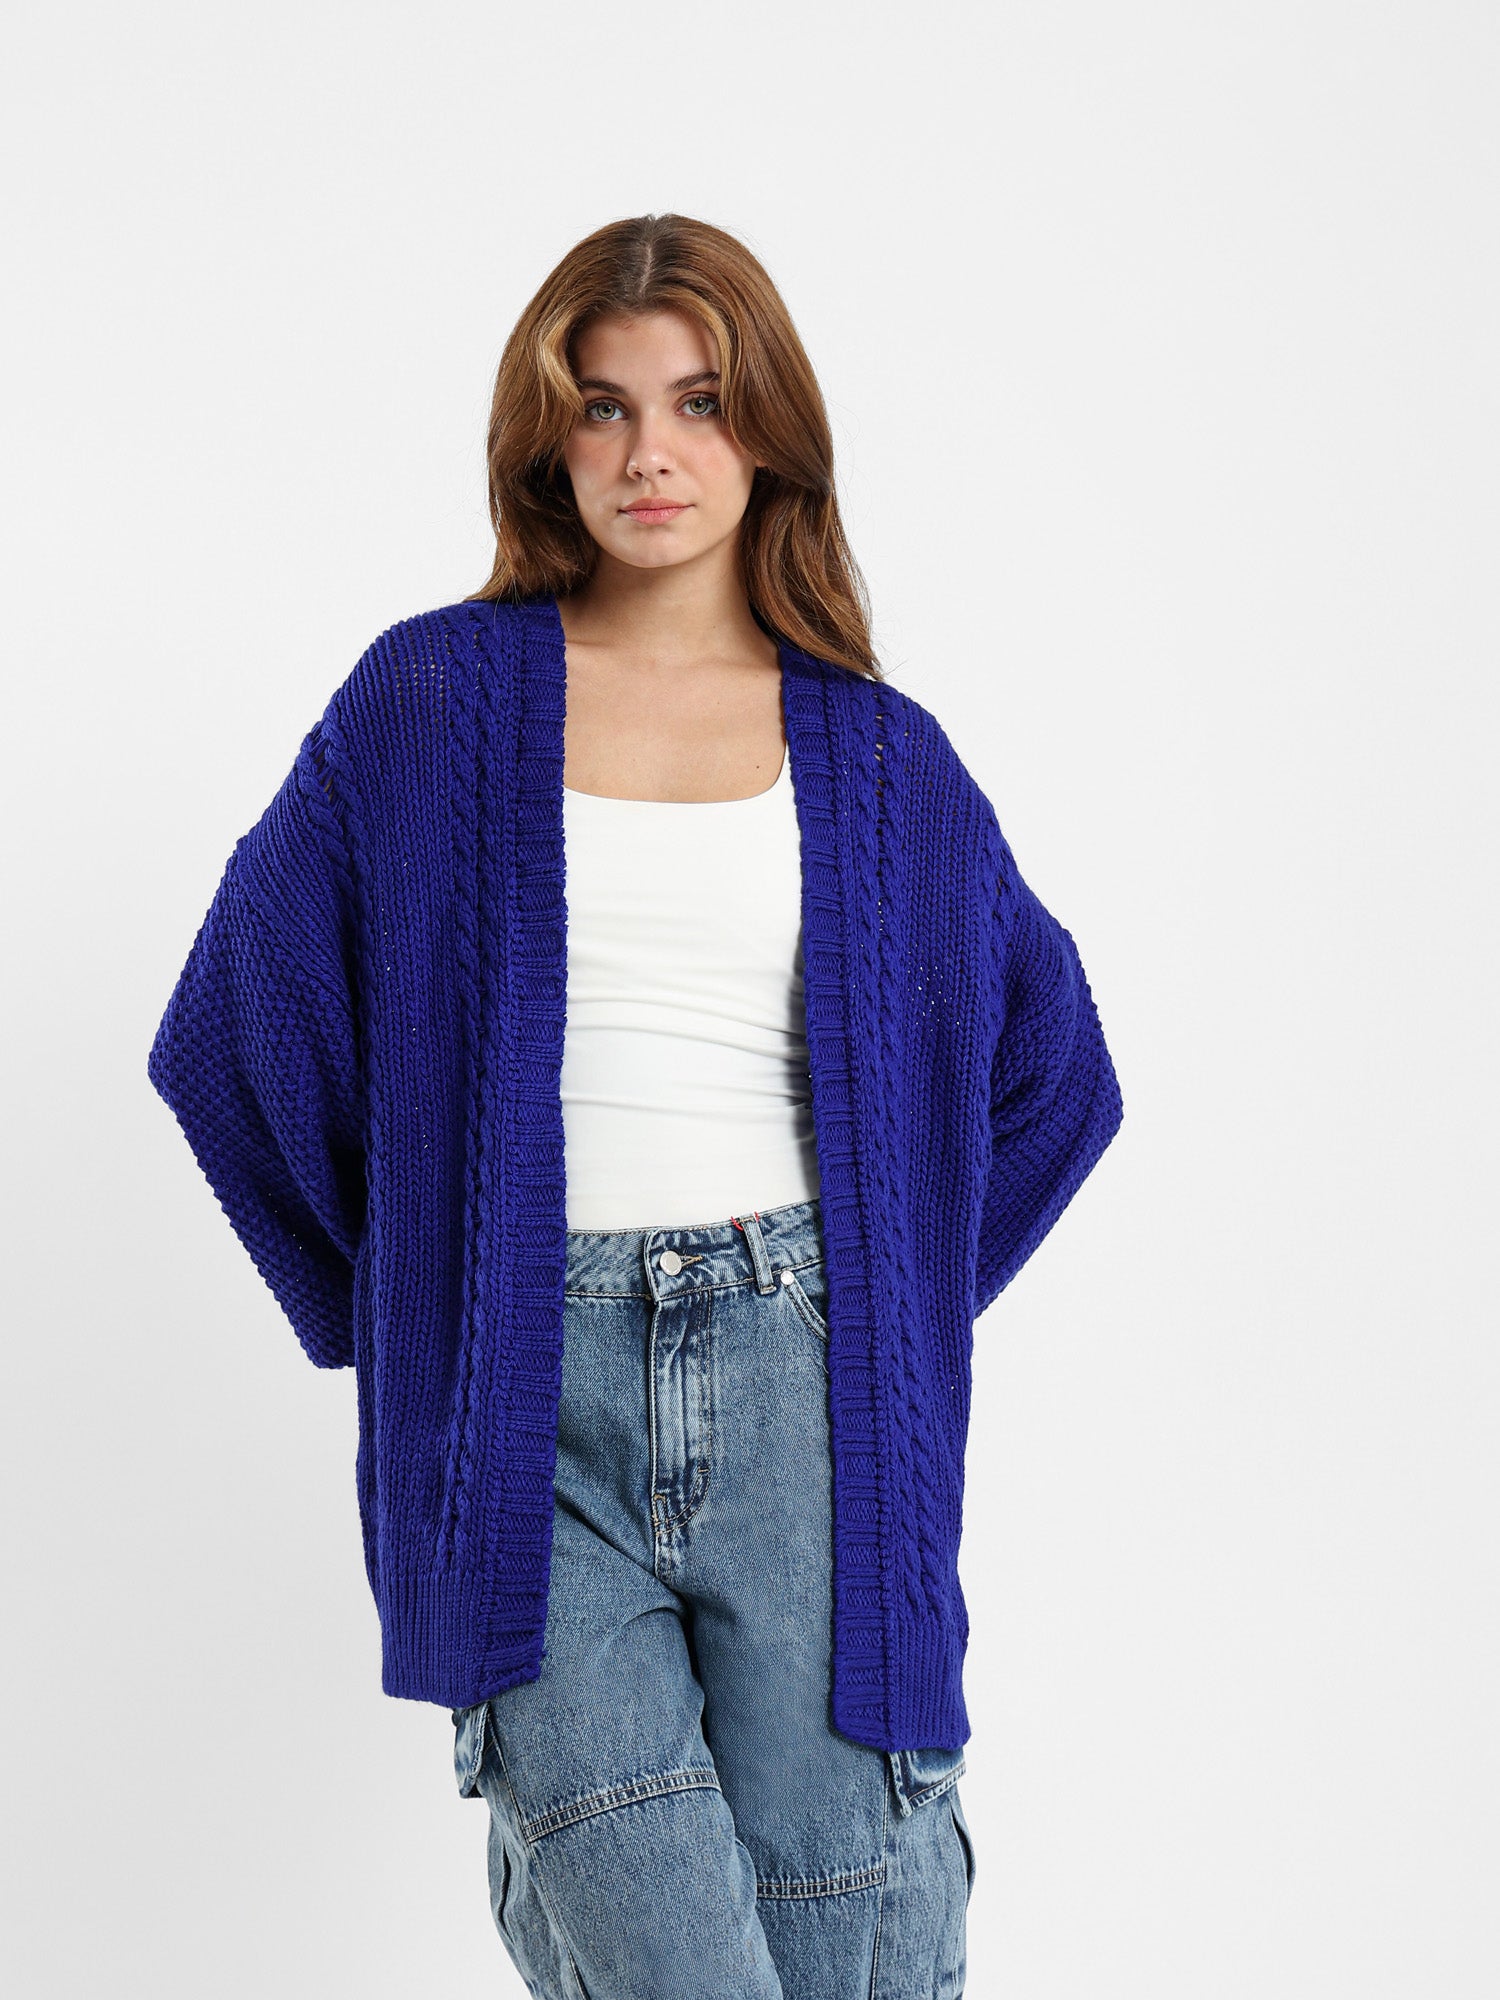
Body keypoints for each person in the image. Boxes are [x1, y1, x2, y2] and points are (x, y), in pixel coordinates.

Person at [147, 213, 1123, 1998]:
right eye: (603, 407)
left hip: (811, 1403)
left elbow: (1056, 1075)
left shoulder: (883, 757)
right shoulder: (427, 702)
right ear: (549, 438)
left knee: (844, 1955)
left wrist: (887, 1311)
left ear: (770, 437)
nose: (649, 453)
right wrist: (410, 1300)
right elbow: (233, 1031)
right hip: (527, 1417)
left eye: (698, 403)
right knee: (673, 1958)